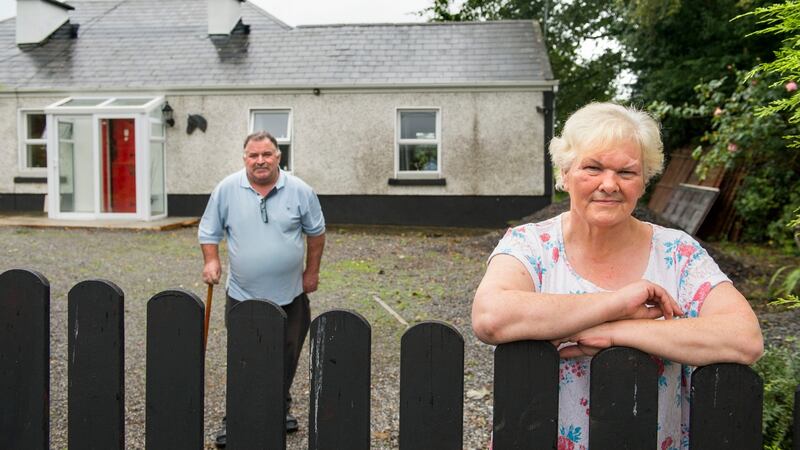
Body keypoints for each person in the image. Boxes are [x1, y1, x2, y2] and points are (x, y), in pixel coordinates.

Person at [472, 102, 763, 449]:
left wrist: (614, 332)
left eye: (626, 172)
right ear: (564, 174)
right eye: (592, 168)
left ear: (643, 182)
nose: (609, 184)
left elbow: (744, 339)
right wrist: (617, 301)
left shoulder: (677, 253)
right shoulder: (530, 244)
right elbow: (491, 317)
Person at [198, 131, 326, 447]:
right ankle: (236, 419)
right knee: (244, 358)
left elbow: (317, 234)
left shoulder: (300, 191)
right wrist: (211, 261)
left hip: (291, 295)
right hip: (242, 295)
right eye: (253, 155)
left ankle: (279, 411)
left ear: (278, 157)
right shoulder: (227, 189)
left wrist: (312, 271)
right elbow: (209, 232)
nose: (260, 161)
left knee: (286, 356)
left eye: (267, 154)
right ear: (245, 158)